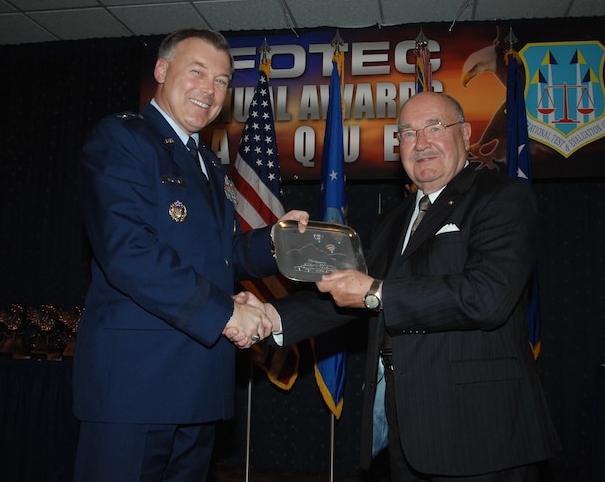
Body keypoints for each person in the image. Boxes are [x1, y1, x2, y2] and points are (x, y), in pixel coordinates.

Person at [238, 92, 561, 480]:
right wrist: (268, 315)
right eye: (407, 133)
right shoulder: (392, 219)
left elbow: (486, 297)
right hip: (404, 432)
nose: (420, 142)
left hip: (482, 433)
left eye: (434, 128)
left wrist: (378, 292)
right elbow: (346, 292)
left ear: (466, 134)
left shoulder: (503, 198)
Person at [73, 28, 308, 482]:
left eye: (222, 80)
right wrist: (224, 314)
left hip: (199, 383)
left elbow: (219, 256)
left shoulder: (208, 163)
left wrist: (277, 241)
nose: (210, 89)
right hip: (135, 385)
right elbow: (129, 252)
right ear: (162, 71)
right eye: (197, 72)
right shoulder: (124, 139)